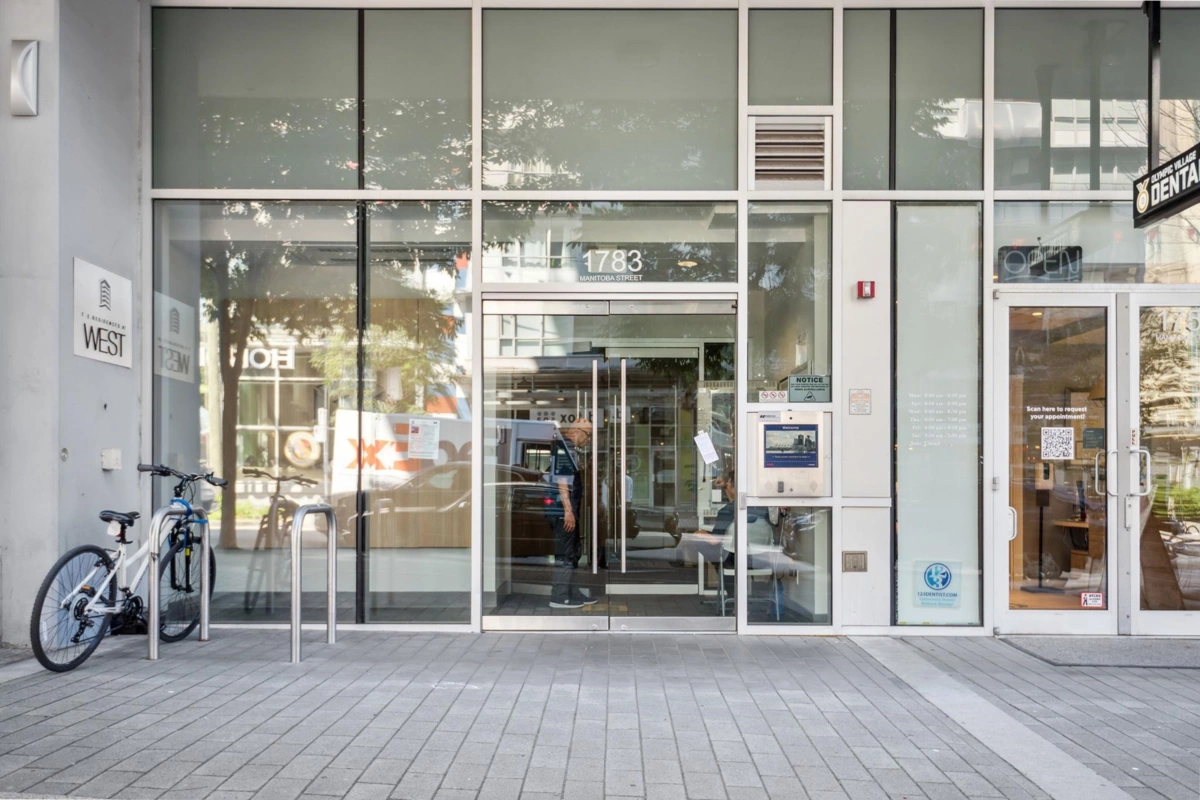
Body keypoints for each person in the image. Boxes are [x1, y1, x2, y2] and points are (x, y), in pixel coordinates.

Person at [548, 419, 597, 609]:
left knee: (574, 553)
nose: (589, 439)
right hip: (563, 513)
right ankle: (559, 597)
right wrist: (568, 511)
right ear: (577, 431)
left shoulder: (569, 449)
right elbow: (562, 481)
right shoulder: (564, 448)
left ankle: (572, 593)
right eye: (588, 434)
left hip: (569, 512)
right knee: (566, 555)